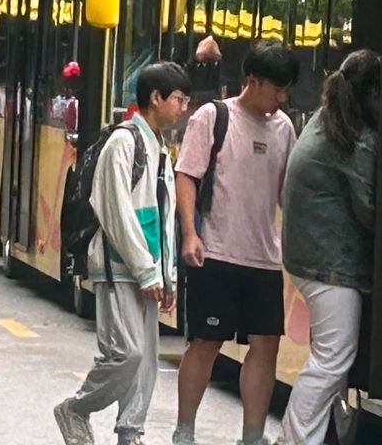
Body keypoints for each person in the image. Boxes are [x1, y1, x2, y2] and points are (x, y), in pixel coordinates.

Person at [173, 41, 300, 445]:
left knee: (266, 347)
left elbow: (286, 194)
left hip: (265, 258)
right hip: (216, 252)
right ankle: (184, 431)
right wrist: (191, 234)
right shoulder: (214, 117)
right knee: (205, 343)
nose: (281, 99)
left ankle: (252, 437)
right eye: (277, 89)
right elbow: (186, 174)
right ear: (253, 80)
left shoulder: (284, 128)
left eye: (286, 91)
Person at [53, 62, 183, 445]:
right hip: (117, 266)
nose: (183, 108)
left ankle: (130, 431)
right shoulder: (123, 142)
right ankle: (76, 409)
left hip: (147, 270)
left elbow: (166, 217)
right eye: (179, 99)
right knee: (126, 354)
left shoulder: (160, 148)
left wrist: (167, 274)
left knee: (145, 361)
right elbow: (116, 212)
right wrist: (147, 270)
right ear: (155, 98)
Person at [275, 49, 380, 445]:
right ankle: (295, 439)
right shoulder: (354, 140)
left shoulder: (331, 119)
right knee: (332, 360)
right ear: (373, 94)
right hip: (329, 263)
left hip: (312, 256)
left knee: (330, 358)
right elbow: (371, 212)